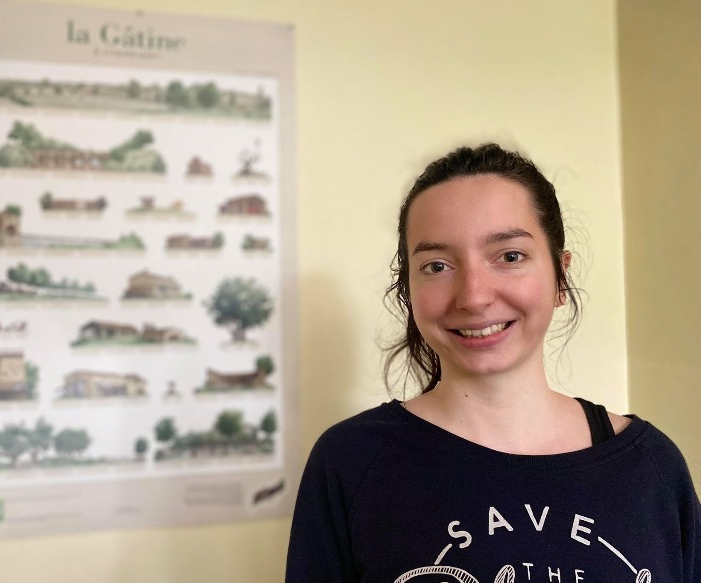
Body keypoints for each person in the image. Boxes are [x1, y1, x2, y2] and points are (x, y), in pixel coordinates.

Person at [286, 144, 701, 582]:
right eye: (437, 266)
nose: (474, 296)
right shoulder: (350, 462)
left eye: (510, 256)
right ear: (408, 289)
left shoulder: (652, 467)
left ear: (561, 276)